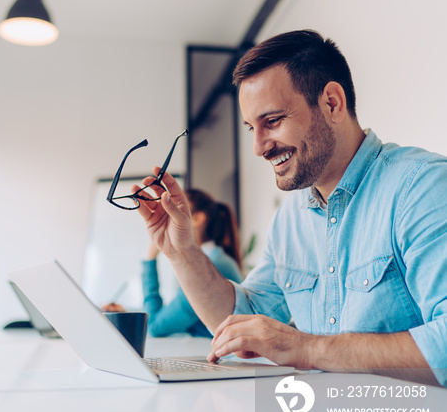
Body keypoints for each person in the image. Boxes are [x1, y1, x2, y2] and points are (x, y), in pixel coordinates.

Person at [134, 30, 447, 387]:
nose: (258, 147)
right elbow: (243, 322)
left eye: (273, 121)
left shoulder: (422, 188)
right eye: (251, 127)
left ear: (332, 103)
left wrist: (308, 349)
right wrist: (182, 252)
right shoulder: (290, 219)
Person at [105, 189, 243, 337]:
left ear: (197, 219)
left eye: (172, 210)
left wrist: (150, 257)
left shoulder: (213, 266)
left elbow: (155, 327)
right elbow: (165, 318)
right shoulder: (215, 259)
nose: (163, 219)